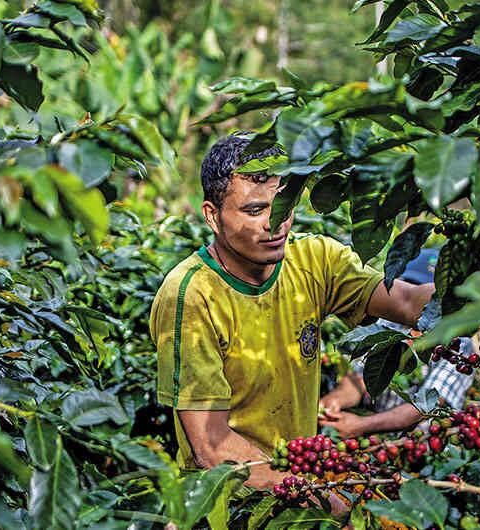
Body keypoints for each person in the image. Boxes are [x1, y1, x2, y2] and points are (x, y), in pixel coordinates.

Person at [148, 134, 434, 492]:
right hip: (231, 499)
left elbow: (408, 302)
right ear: (212, 216)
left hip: (298, 488)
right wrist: (317, 497)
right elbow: (211, 446)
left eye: (282, 204)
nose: (276, 223)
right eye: (254, 210)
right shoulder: (192, 295)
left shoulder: (315, 260)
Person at [319, 249, 475, 438]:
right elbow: (360, 378)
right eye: (408, 287)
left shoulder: (458, 345)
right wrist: (336, 400)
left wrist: (361, 425)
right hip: (377, 441)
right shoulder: (389, 325)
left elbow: (426, 406)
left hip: (418, 445)